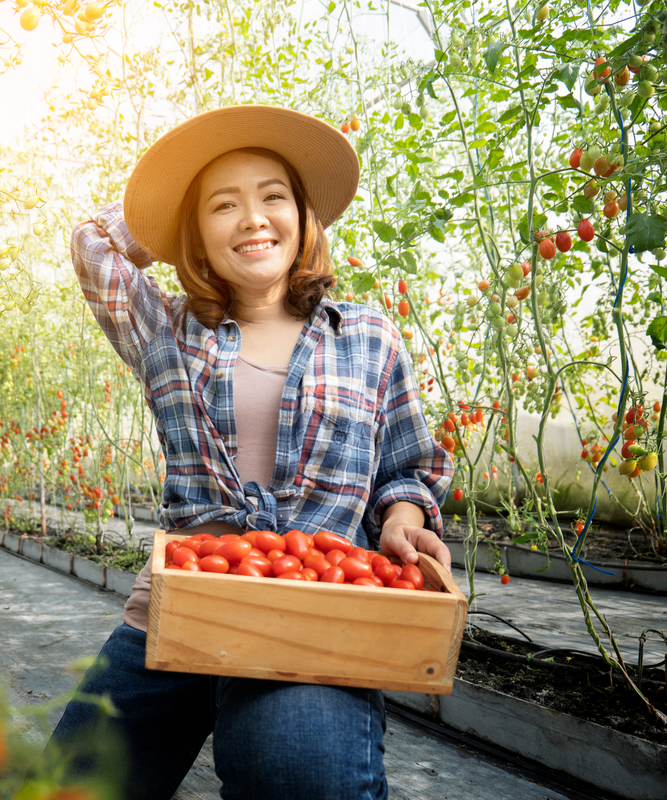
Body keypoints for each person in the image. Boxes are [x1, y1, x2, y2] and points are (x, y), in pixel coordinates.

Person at [45, 104, 453, 800]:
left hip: (317, 615)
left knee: (294, 769)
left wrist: (403, 516)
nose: (253, 219)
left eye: (273, 197)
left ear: (304, 216)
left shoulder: (368, 337)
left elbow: (406, 467)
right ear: (194, 232)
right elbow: (93, 244)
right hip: (184, 606)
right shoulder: (165, 330)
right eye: (222, 206)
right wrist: (161, 210)